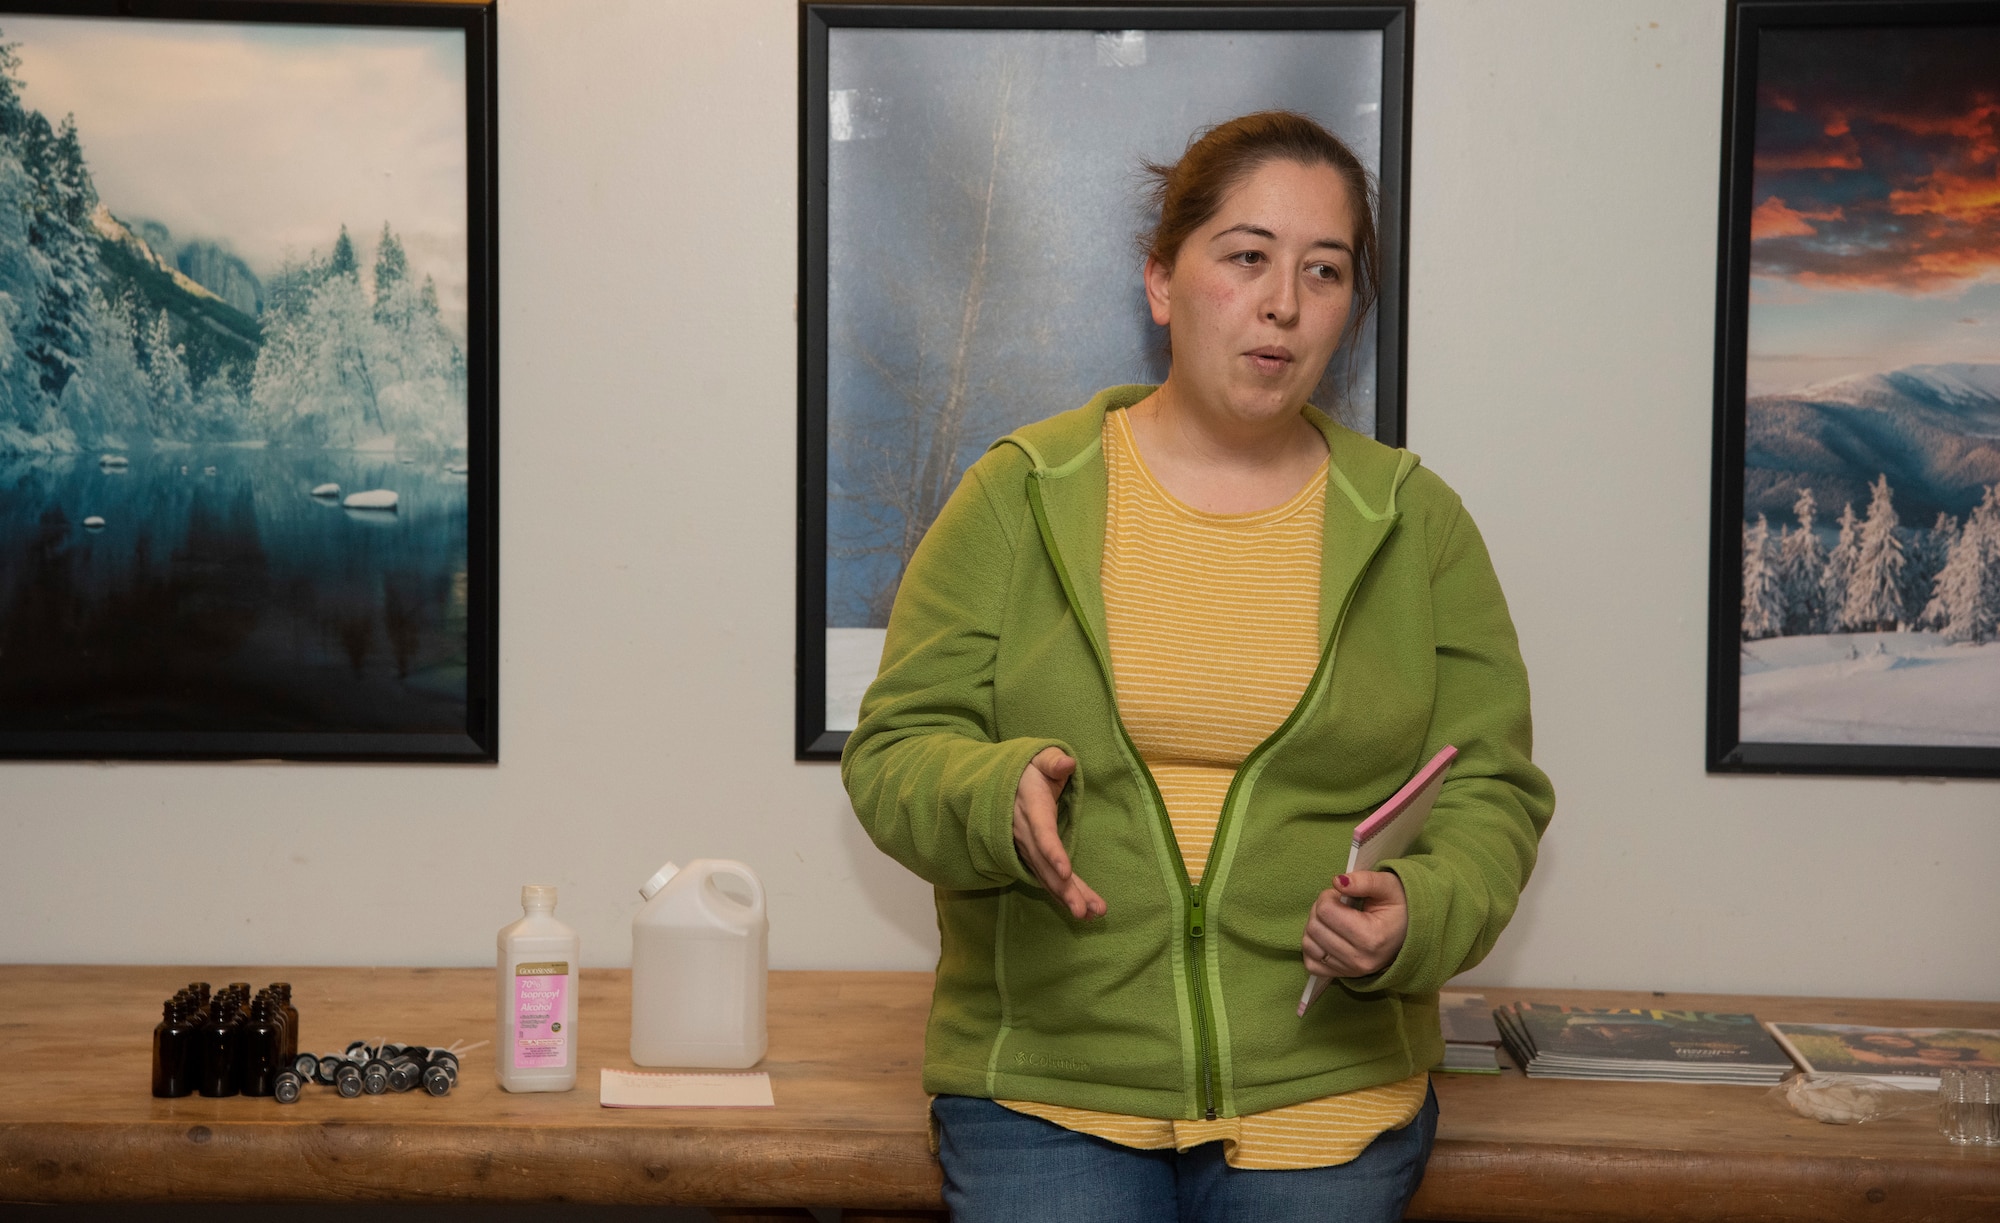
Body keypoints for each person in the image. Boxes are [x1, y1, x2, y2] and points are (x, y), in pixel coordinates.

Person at [842, 111, 1554, 1222]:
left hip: (1325, 1091)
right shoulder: (1018, 493)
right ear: (1162, 282)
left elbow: (1490, 787)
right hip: (1048, 1089)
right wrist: (995, 794)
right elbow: (892, 750)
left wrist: (1415, 908)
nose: (1282, 301)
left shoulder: (1417, 525)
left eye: (1323, 271)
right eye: (1245, 257)